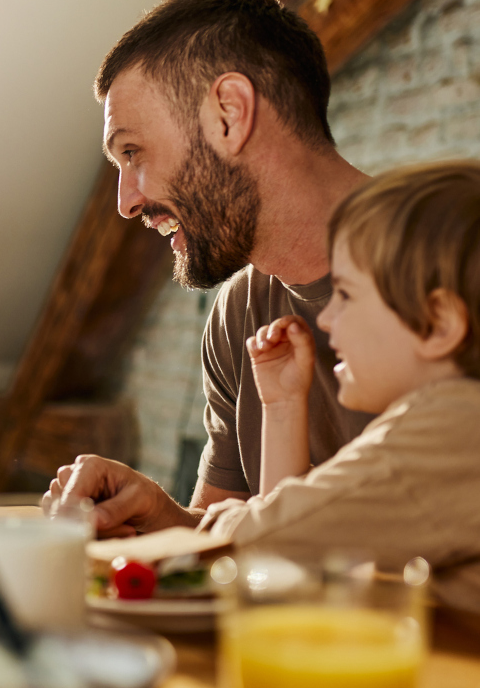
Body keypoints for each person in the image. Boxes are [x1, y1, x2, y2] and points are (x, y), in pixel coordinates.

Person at [45, 0, 374, 535]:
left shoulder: (453, 259)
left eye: (133, 152)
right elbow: (238, 541)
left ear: (229, 114)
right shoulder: (241, 312)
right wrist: (162, 516)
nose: (126, 203)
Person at [196, 162, 480, 612]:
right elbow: (291, 557)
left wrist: (220, 526)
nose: (326, 319)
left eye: (346, 295)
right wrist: (285, 406)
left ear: (439, 323)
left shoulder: (454, 427)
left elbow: (269, 542)